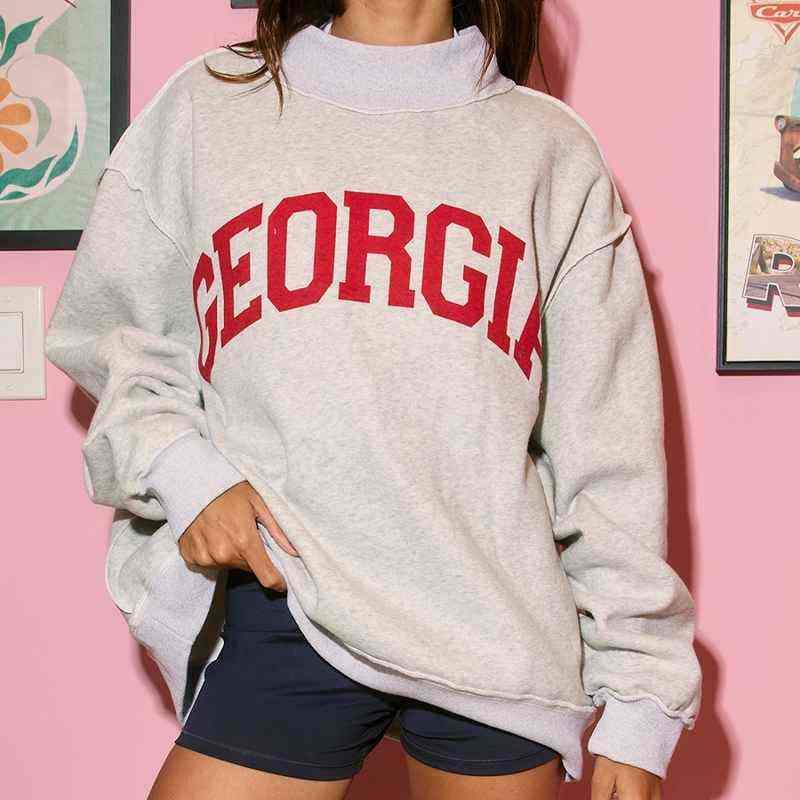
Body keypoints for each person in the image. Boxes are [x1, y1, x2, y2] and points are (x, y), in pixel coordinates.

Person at [44, 2, 703, 799]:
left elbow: (609, 453)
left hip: (491, 630)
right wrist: (186, 471)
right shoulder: (208, 107)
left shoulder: (550, 148)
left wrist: (640, 702)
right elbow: (112, 337)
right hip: (289, 596)